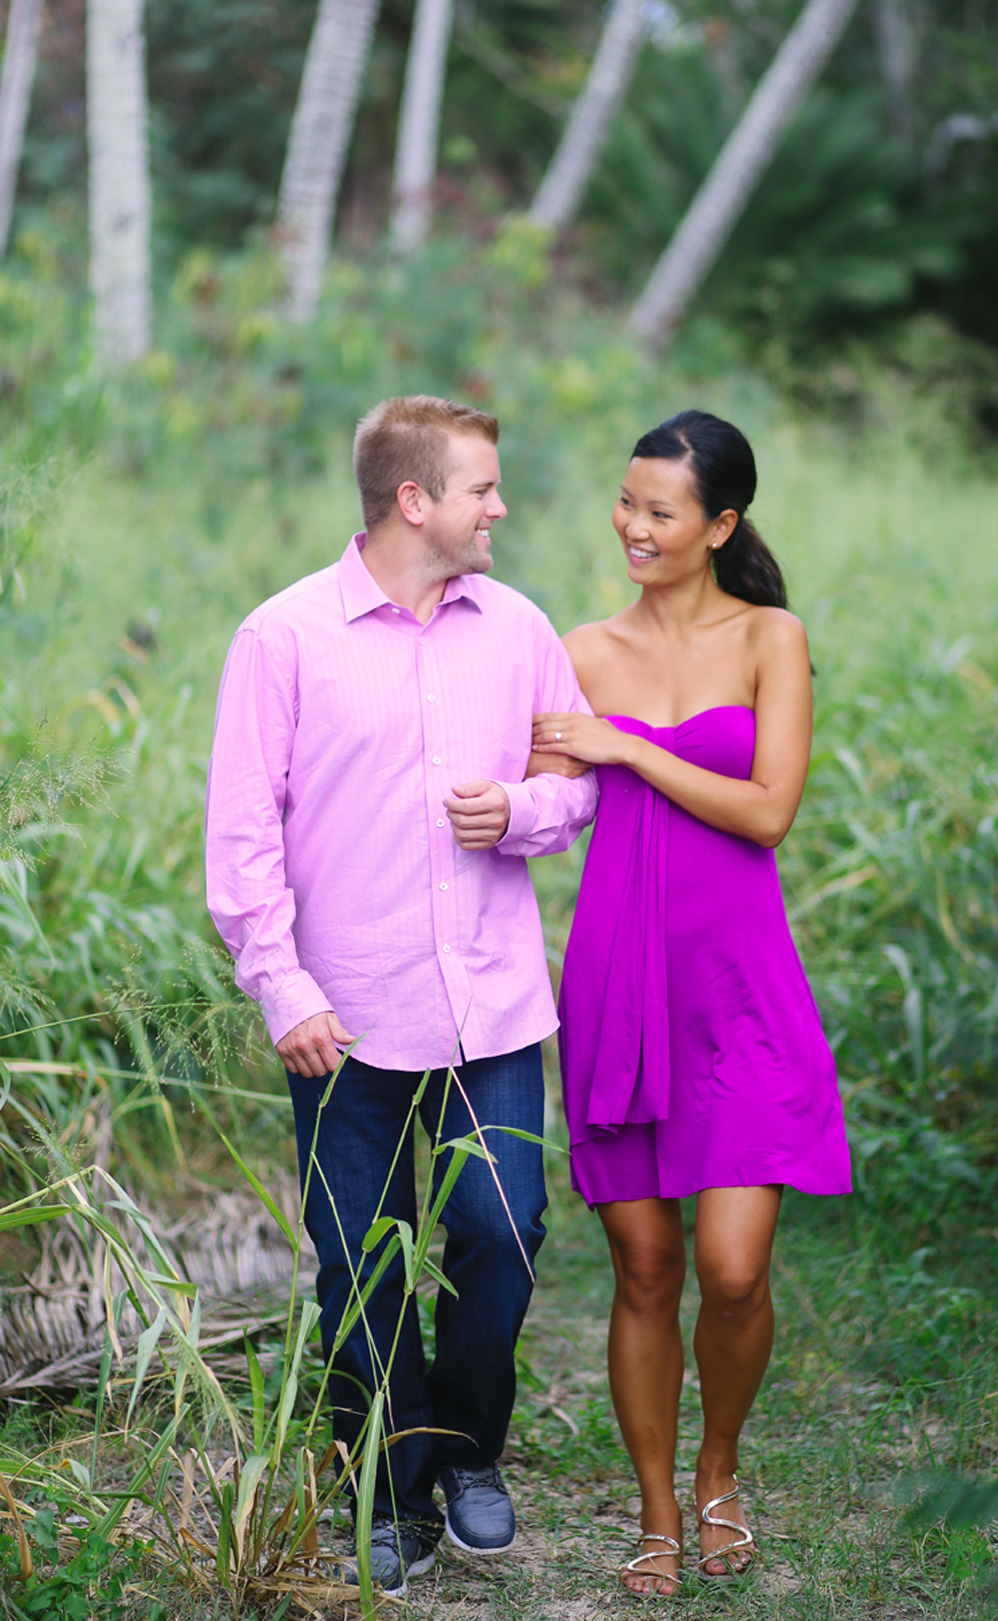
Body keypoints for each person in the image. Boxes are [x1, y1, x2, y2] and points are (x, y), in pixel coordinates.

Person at [205, 395, 597, 1597]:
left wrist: (520, 810)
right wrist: (283, 985)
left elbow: (572, 774)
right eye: (484, 486)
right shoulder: (280, 639)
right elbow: (240, 837)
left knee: (503, 1230)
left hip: (491, 1008)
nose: (503, 507)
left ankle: (466, 1450)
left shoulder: (520, 625)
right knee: (358, 1263)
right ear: (413, 500)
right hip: (345, 1019)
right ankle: (386, 1482)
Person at [530, 410, 851, 1596]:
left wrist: (628, 745)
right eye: (626, 501)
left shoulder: (772, 636)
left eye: (661, 510)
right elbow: (543, 803)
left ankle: (723, 1462)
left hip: (741, 989)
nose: (634, 526)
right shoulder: (575, 646)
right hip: (619, 976)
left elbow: (768, 810)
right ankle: (662, 1509)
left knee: (731, 1266)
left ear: (719, 524)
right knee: (647, 1267)